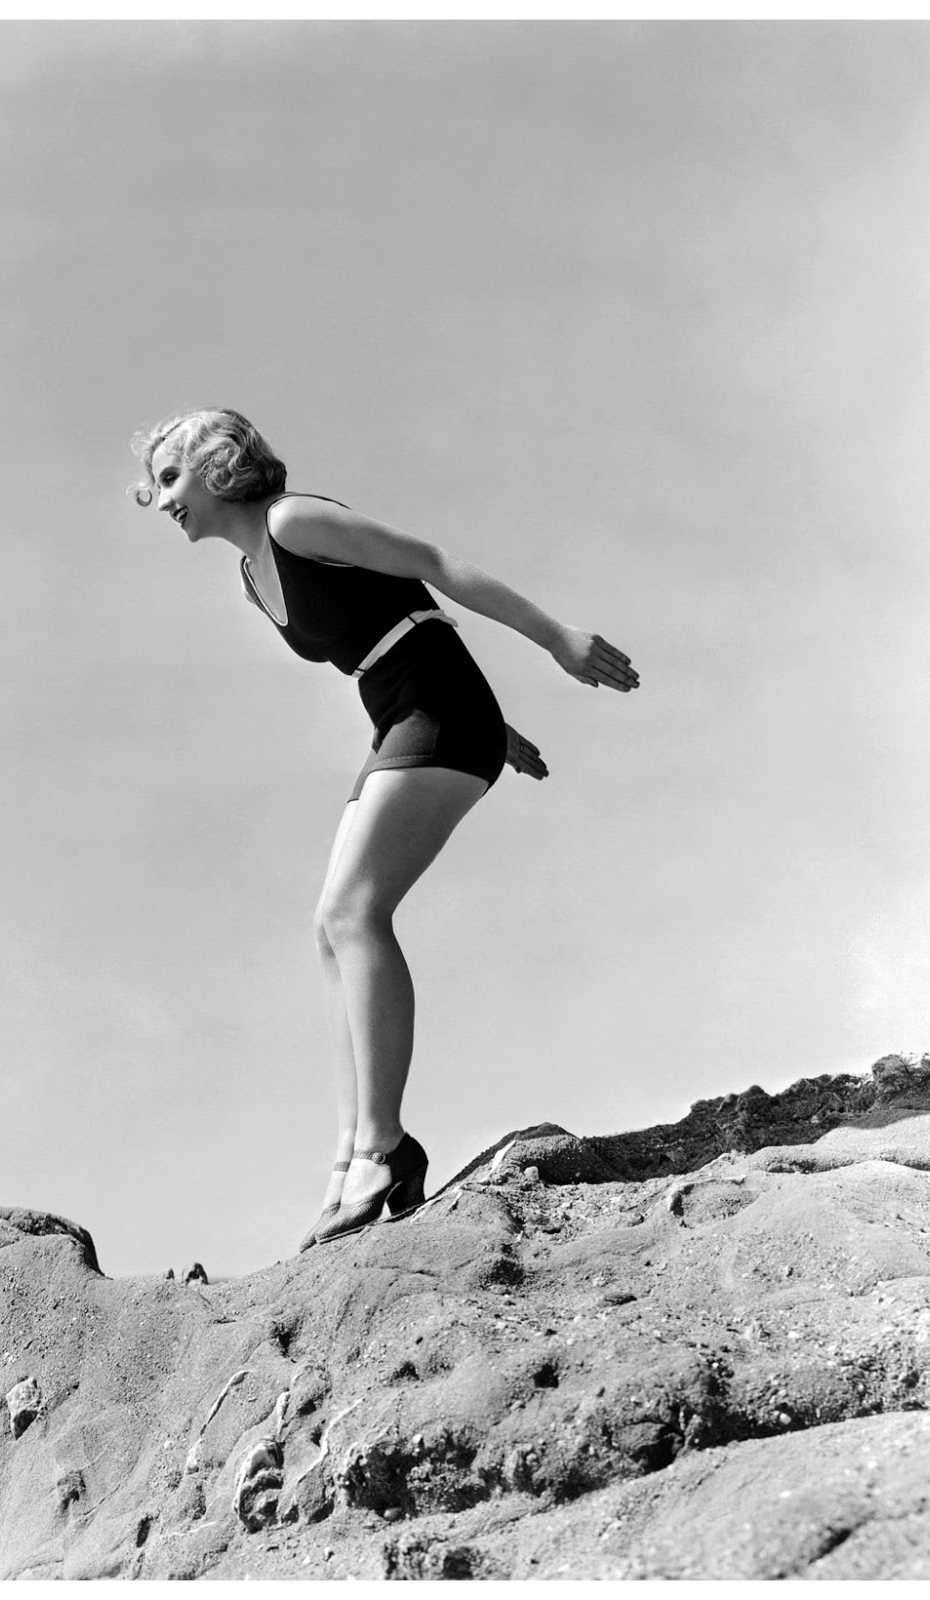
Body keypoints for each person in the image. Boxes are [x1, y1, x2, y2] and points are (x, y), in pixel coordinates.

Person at [131, 408, 639, 1251]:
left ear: (217, 466)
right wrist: (493, 730)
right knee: (329, 930)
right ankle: (352, 1155)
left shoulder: (294, 521)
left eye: (171, 478)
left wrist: (556, 639)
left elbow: (430, 567)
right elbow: (376, 631)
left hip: (436, 708)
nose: (160, 500)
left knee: (353, 913)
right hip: (404, 712)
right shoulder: (254, 578)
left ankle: (383, 1149)